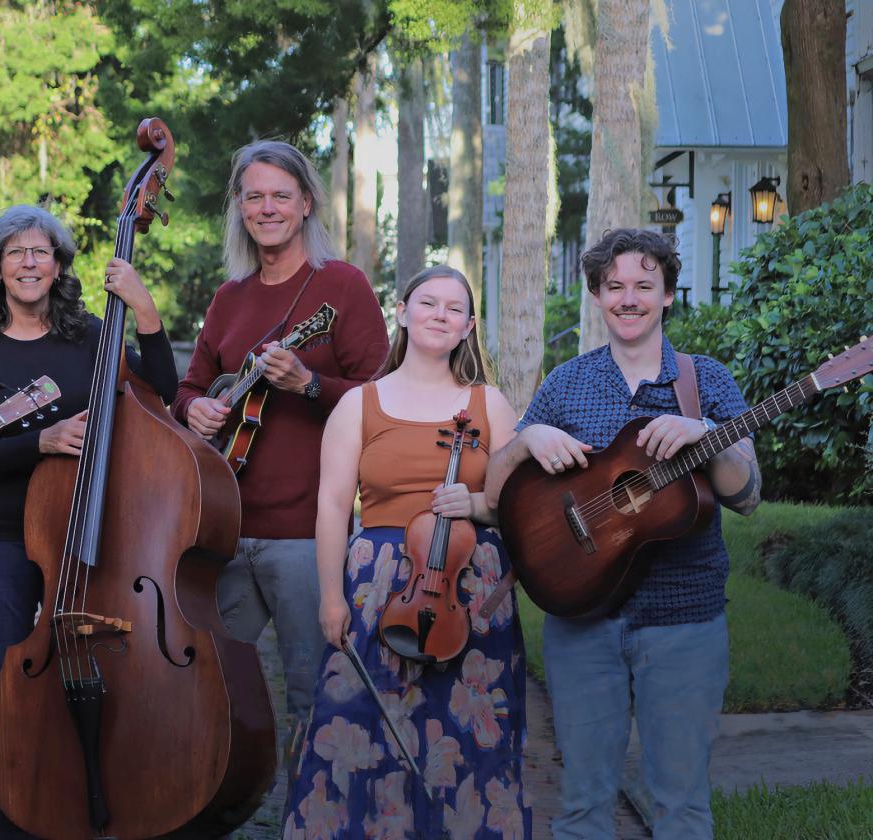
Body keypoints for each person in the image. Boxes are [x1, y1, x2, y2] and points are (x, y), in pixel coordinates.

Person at [484, 228, 762, 839]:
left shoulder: (704, 380)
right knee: (583, 807)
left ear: (667, 295)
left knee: (681, 806)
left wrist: (699, 433)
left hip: (684, 618)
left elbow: (746, 496)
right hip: (581, 618)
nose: (629, 298)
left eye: (644, 285)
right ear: (597, 295)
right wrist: (526, 440)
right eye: (615, 287)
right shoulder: (567, 384)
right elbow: (495, 489)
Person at [0, 204, 177, 839]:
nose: (27, 263)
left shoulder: (92, 336)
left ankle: (91, 808)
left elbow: (164, 389)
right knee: (8, 688)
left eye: (40, 251)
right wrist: (39, 441)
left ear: (59, 265)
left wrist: (144, 308)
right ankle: (13, 826)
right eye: (14, 252)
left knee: (97, 675)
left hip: (85, 534)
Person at [281, 265, 531, 838]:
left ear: (468, 327)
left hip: (467, 588)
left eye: (453, 308)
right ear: (402, 312)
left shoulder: (489, 403)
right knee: (362, 730)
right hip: (376, 587)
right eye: (427, 302)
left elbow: (518, 503)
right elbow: (332, 507)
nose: (439, 314)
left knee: (472, 740)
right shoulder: (359, 404)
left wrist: (474, 504)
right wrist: (329, 598)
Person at [172, 140, 388, 759]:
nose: (267, 208)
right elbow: (189, 387)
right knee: (206, 691)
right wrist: (197, 408)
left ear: (306, 203)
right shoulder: (229, 297)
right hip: (222, 531)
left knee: (315, 700)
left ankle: (314, 820)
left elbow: (381, 402)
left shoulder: (341, 288)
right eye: (254, 196)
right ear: (239, 207)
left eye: (280, 196)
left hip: (305, 535)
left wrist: (311, 384)